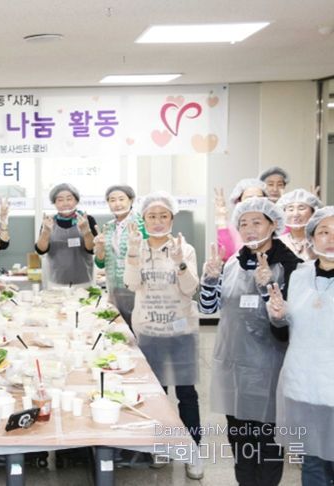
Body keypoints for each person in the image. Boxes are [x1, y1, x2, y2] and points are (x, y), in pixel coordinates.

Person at [199, 197, 301, 486]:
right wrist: (210, 280)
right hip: (232, 365)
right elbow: (208, 309)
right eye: (243, 223)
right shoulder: (233, 262)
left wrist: (268, 287)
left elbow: (289, 322)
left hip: (269, 368)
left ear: (273, 224)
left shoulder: (291, 266)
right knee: (240, 439)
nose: (249, 229)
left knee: (267, 442)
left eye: (257, 222)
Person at [122, 191, 203, 479]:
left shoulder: (185, 248)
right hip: (149, 331)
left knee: (186, 393)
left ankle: (193, 451)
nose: (157, 221)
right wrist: (133, 255)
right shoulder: (137, 246)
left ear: (171, 218)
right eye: (152, 216)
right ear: (144, 220)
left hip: (181, 331)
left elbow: (190, 288)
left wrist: (180, 262)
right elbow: (131, 284)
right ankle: (163, 446)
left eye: (163, 216)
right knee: (158, 394)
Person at [267, 206, 334, 485]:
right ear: (312, 237)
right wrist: (278, 317)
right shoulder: (299, 276)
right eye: (324, 231)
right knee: (312, 462)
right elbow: (284, 333)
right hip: (303, 383)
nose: (331, 239)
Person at [94, 184, 146, 326]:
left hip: (137, 287)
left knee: (138, 327)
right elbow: (100, 263)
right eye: (112, 200)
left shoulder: (142, 223)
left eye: (121, 199)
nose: (117, 204)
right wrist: (100, 248)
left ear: (131, 200)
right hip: (114, 289)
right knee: (118, 327)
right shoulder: (108, 227)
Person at [35, 183, 97, 288]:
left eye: (69, 199)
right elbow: (41, 250)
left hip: (83, 281)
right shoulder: (49, 221)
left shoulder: (87, 219)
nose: (65, 203)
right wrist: (46, 231)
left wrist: (86, 231)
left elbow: (93, 249)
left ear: (76, 201)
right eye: (60, 200)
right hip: (56, 281)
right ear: (54, 203)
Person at [214, 178, 268, 262]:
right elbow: (226, 256)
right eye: (249, 198)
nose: (254, 202)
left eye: (259, 198)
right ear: (238, 202)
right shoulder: (233, 228)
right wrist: (221, 219)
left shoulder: (272, 225)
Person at [276, 188, 322, 261]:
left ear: (313, 212)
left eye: (301, 208)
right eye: (291, 209)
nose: (296, 214)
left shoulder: (321, 241)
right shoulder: (277, 242)